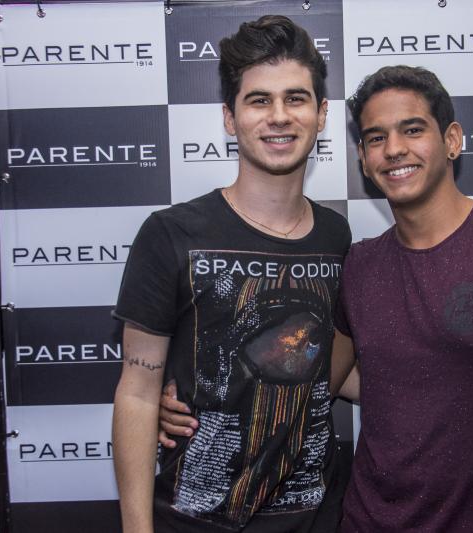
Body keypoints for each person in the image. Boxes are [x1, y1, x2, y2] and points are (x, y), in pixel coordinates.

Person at [160, 65, 473, 532]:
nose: (394, 149)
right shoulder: (361, 263)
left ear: (452, 140)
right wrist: (196, 402)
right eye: (376, 138)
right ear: (363, 159)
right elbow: (316, 377)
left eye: (413, 130)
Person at [112, 15, 352, 533]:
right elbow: (136, 391)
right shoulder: (171, 234)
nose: (279, 116)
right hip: (191, 520)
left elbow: (331, 366)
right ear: (230, 117)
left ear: (321, 114)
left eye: (295, 98)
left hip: (314, 518)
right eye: (259, 100)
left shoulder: (338, 237)